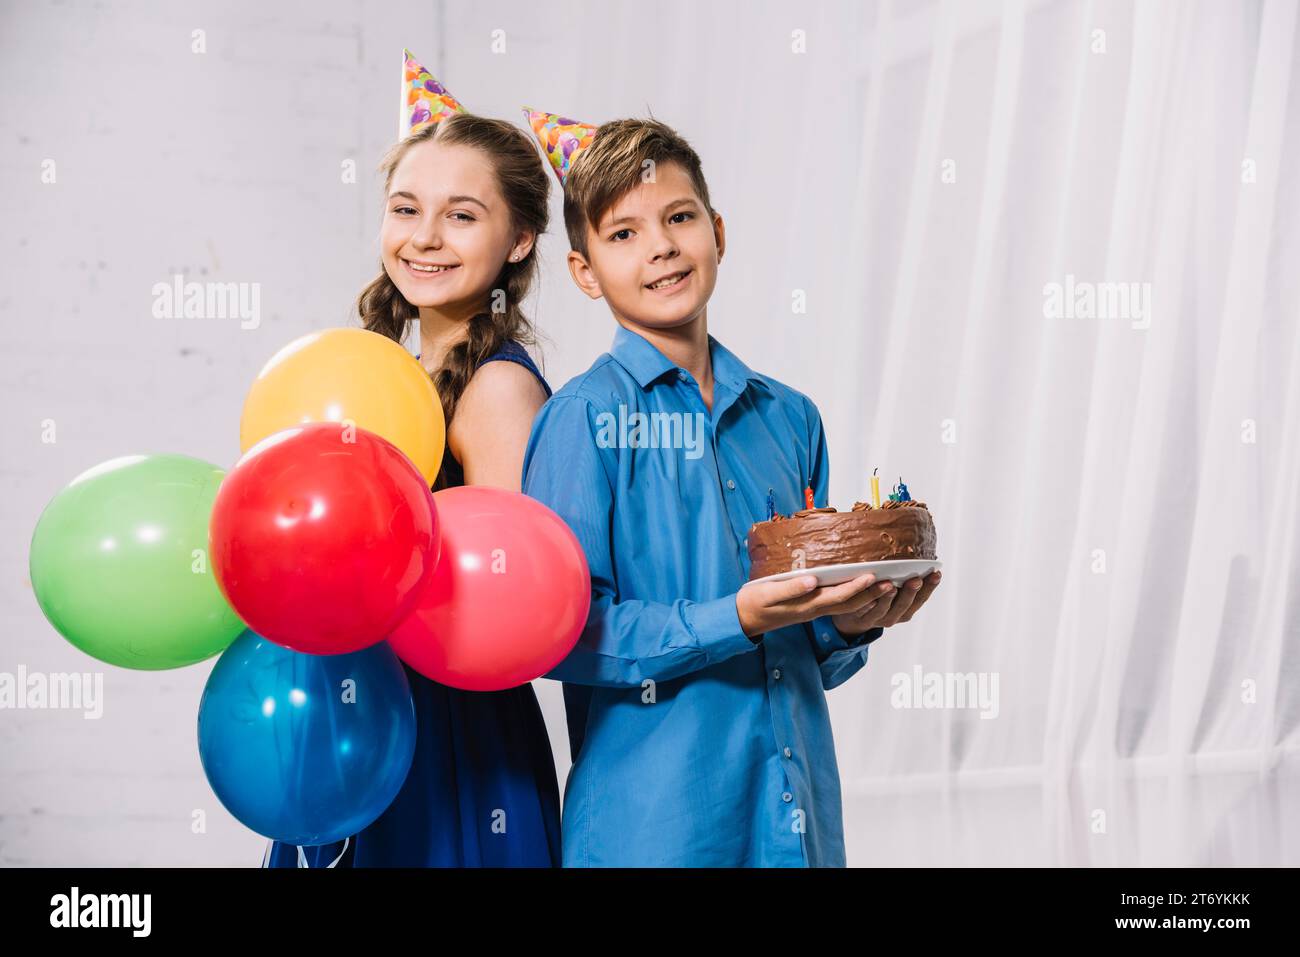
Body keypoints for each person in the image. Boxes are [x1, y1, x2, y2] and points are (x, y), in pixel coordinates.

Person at [521, 117, 941, 866]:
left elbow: (807, 645)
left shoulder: (790, 418)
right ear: (585, 271)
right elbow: (564, 636)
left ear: (716, 229)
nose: (661, 247)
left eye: (679, 217)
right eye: (623, 234)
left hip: (793, 822)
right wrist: (733, 617)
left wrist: (850, 624)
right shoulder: (581, 420)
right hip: (653, 833)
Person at [263, 103, 561, 867]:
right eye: (406, 209)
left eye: (461, 215)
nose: (424, 237)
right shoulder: (386, 377)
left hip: (447, 739)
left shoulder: (496, 390)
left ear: (520, 238)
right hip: (354, 712)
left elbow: (511, 612)